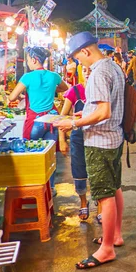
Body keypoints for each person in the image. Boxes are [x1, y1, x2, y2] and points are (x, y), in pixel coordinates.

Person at [54, 32, 126, 270]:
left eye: (77, 58)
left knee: (104, 195)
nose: (78, 63)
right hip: (114, 138)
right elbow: (104, 108)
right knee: (114, 188)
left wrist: (73, 123)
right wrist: (83, 115)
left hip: (100, 142)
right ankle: (114, 236)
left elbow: (103, 112)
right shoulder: (114, 67)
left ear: (85, 51)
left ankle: (106, 250)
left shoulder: (98, 73)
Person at [9, 47, 69, 193]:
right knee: (50, 156)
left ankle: (33, 186)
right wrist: (50, 91)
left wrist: (25, 94)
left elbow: (11, 97)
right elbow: (64, 88)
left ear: (34, 60)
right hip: (51, 120)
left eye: (29, 59)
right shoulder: (53, 76)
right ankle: (51, 188)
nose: (28, 62)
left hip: (34, 121)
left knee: (30, 154)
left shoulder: (27, 78)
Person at [60, 65, 101, 222]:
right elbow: (62, 116)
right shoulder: (74, 91)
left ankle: (101, 206)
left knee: (98, 171)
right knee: (79, 170)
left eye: (91, 70)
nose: (88, 73)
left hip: (97, 136)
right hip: (77, 137)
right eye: (85, 70)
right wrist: (62, 140)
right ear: (80, 73)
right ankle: (83, 203)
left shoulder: (100, 90)